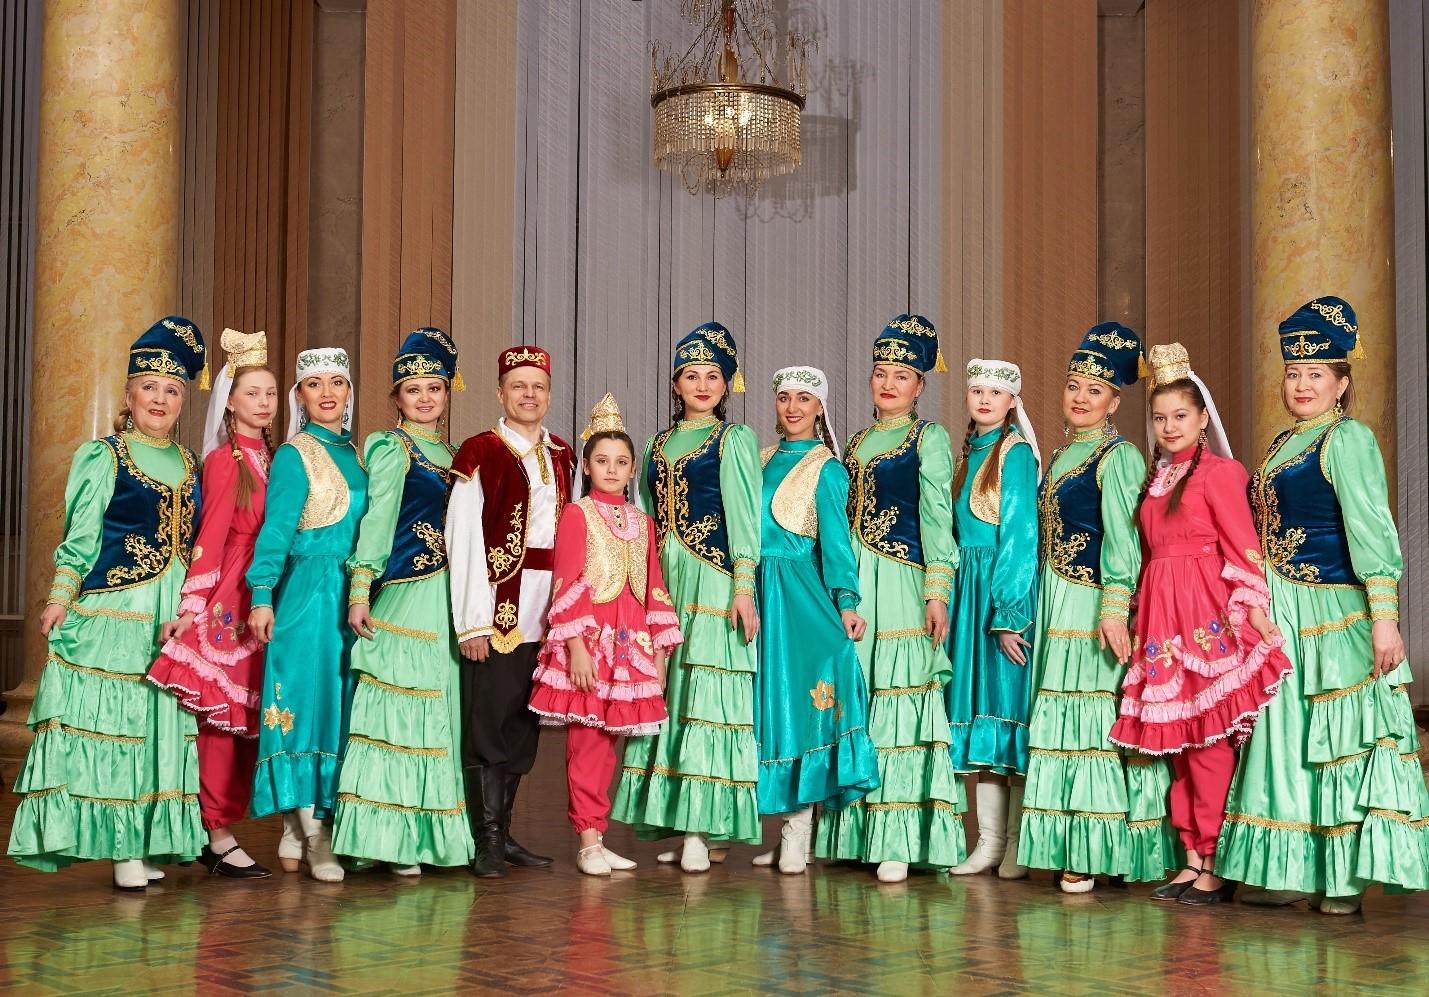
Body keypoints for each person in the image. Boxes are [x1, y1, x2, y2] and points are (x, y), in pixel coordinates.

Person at [1217, 296, 1429, 914]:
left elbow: (1372, 531)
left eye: (1316, 374)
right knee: (1288, 740)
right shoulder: (1284, 442)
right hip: (1283, 612)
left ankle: (1342, 880)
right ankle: (1295, 870)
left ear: (1341, 383)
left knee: (1339, 741)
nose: (1302, 384)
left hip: (1333, 614)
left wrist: (1385, 620)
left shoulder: (1348, 438)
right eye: (1293, 373)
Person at [8, 317, 208, 890]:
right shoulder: (104, 455)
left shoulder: (191, 463)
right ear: (129, 394)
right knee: (118, 725)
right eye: (149, 388)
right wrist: (60, 597)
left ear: (182, 401)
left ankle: (143, 841)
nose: (160, 399)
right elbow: (81, 534)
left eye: (171, 390)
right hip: (118, 610)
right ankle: (121, 850)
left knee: (157, 728)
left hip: (169, 613)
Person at [1109, 342, 1292, 905]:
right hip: (1161, 614)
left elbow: (1243, 547)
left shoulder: (1221, 473)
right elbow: (1148, 553)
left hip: (1204, 612)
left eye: (1180, 416)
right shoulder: (1155, 479)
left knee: (1209, 738)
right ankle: (1191, 856)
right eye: (1160, 417)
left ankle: (1215, 858)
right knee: (1178, 740)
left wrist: (1255, 611)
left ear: (1202, 418)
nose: (1169, 426)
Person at [1019, 322, 1175, 894]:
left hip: (1091, 603)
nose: (1080, 397)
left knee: (1092, 721)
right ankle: (1069, 841)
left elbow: (1124, 541)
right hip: (1056, 600)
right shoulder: (1064, 453)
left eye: (1094, 390)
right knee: (1063, 721)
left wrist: (1113, 607)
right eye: (1073, 386)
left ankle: (1094, 849)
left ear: (1114, 401)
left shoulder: (1119, 455)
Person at [814, 314, 967, 884]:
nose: (888, 383)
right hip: (860, 582)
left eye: (901, 375)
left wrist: (937, 591)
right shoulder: (855, 443)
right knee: (859, 695)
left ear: (920, 384)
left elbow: (937, 517)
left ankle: (899, 836)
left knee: (902, 699)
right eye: (881, 372)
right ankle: (855, 832)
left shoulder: (928, 438)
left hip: (904, 581)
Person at [610, 322, 763, 873]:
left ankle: (704, 828)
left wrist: (743, 585)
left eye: (712, 376)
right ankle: (684, 821)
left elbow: (744, 514)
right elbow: (647, 521)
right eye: (691, 375)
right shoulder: (654, 444)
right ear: (675, 383)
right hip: (665, 580)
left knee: (707, 696)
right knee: (670, 694)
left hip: (714, 579)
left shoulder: (733, 439)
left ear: (727, 384)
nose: (702, 385)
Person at [332, 329, 475, 875]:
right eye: (413, 389)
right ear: (396, 396)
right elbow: (379, 520)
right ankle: (387, 840)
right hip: (405, 590)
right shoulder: (391, 447)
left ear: (447, 393)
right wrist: (361, 587)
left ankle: (425, 838)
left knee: (435, 712)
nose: (424, 398)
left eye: (434, 388)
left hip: (446, 599)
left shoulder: (457, 455)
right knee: (398, 708)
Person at [529, 393, 682, 876]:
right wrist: (575, 648)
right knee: (586, 743)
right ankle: (587, 841)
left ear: (633, 468)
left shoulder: (643, 522)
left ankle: (599, 834)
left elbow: (654, 587)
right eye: (601, 460)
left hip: (631, 644)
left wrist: (660, 654)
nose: (611, 469)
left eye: (620, 461)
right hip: (592, 642)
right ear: (587, 466)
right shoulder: (578, 514)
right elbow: (568, 580)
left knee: (611, 743)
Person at [148, 327, 278, 878]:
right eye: (252, 393)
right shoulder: (227, 460)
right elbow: (212, 536)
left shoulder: (275, 457)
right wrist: (193, 606)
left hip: (268, 589)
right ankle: (216, 832)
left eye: (270, 393)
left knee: (249, 719)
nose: (263, 403)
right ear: (229, 400)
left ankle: (222, 826)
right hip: (232, 592)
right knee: (222, 718)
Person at [447, 345, 576, 877]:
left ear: (549, 394)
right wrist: (472, 621)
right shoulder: (480, 451)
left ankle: (506, 831)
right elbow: (463, 539)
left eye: (538, 387)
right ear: (500, 393)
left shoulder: (563, 453)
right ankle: (487, 839)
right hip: (498, 605)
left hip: (548, 609)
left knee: (525, 722)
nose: (529, 395)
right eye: (519, 386)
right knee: (489, 720)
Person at [751, 366, 880, 875]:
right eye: (784, 397)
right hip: (756, 592)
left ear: (820, 406)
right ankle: (784, 826)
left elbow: (836, 542)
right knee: (770, 708)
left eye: (804, 398)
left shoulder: (827, 468)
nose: (793, 407)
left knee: (803, 708)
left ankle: (798, 830)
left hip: (800, 596)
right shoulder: (760, 458)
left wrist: (846, 602)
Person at [246, 348, 367, 883]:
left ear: (349, 391)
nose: (327, 393)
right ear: (299, 396)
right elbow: (275, 529)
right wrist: (262, 594)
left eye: (336, 382)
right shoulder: (295, 455)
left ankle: (301, 830)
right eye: (314, 384)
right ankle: (313, 834)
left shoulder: (356, 454)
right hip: (309, 594)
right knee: (303, 704)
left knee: (339, 708)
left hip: (352, 594)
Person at [945, 359, 1041, 878]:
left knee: (1006, 709)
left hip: (1000, 592)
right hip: (968, 593)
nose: (984, 399)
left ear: (1012, 402)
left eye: (995, 392)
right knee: (982, 712)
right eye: (977, 390)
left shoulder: (1015, 453)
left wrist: (1009, 614)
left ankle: (1014, 843)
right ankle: (988, 842)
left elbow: (1020, 535)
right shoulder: (969, 455)